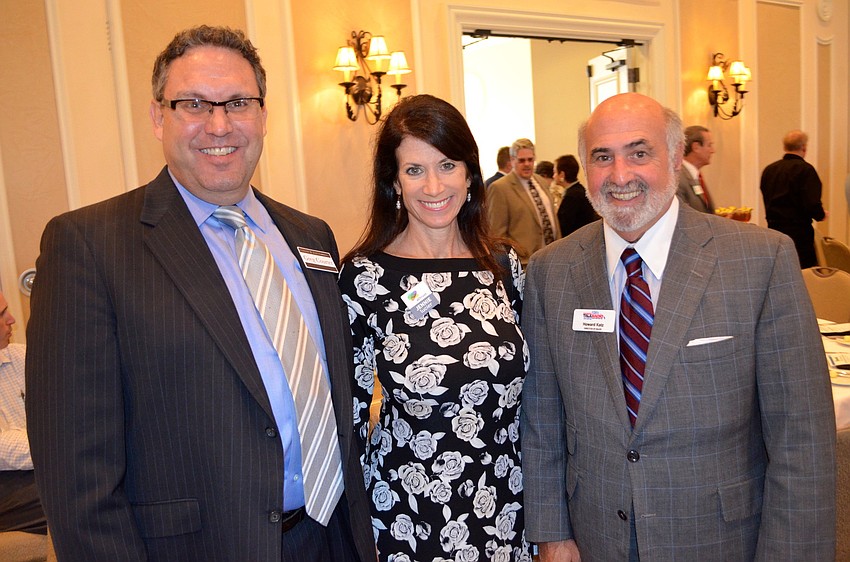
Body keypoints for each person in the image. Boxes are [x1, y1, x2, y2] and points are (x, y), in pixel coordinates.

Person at [25, 25, 373, 561]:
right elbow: (76, 477)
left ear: (262, 115)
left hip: (331, 539)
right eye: (193, 104)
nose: (219, 124)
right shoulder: (89, 245)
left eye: (238, 102)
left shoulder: (311, 235)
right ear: (157, 116)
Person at [521, 93, 836, 561]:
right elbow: (542, 417)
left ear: (673, 156)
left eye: (639, 153)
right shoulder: (551, 270)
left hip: (721, 539)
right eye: (602, 157)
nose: (620, 175)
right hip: (595, 537)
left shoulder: (760, 259)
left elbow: (801, 435)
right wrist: (551, 534)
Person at [339, 94, 531, 561]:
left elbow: (536, 401)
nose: (433, 186)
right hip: (409, 513)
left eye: (447, 165)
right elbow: (351, 414)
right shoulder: (365, 276)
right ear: (393, 182)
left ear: (469, 173)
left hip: (507, 504)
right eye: (414, 170)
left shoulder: (503, 266)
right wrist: (356, 532)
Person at [0, 291, 47, 536]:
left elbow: (61, 417)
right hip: (6, 486)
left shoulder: (22, 356)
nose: (12, 320)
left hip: (40, 468)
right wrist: (55, 447)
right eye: (1, 314)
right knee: (72, 489)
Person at [760, 129, 827, 268]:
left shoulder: (769, 170)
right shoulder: (806, 170)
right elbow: (812, 203)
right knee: (802, 271)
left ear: (785, 147)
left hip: (773, 231)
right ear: (804, 147)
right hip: (799, 235)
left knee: (779, 269)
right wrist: (821, 215)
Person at [488, 138, 561, 266]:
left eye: (530, 159)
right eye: (521, 160)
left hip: (552, 258)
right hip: (524, 263)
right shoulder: (500, 188)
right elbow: (497, 235)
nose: (527, 164)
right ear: (512, 160)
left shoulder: (541, 182)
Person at [554, 154, 598, 237]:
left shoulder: (572, 196)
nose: (553, 176)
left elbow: (564, 227)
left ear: (562, 174)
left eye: (555, 172)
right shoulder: (578, 190)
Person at [675, 125, 715, 214]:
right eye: (709, 145)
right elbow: (682, 215)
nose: (713, 150)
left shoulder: (695, 176)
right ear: (696, 147)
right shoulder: (679, 179)